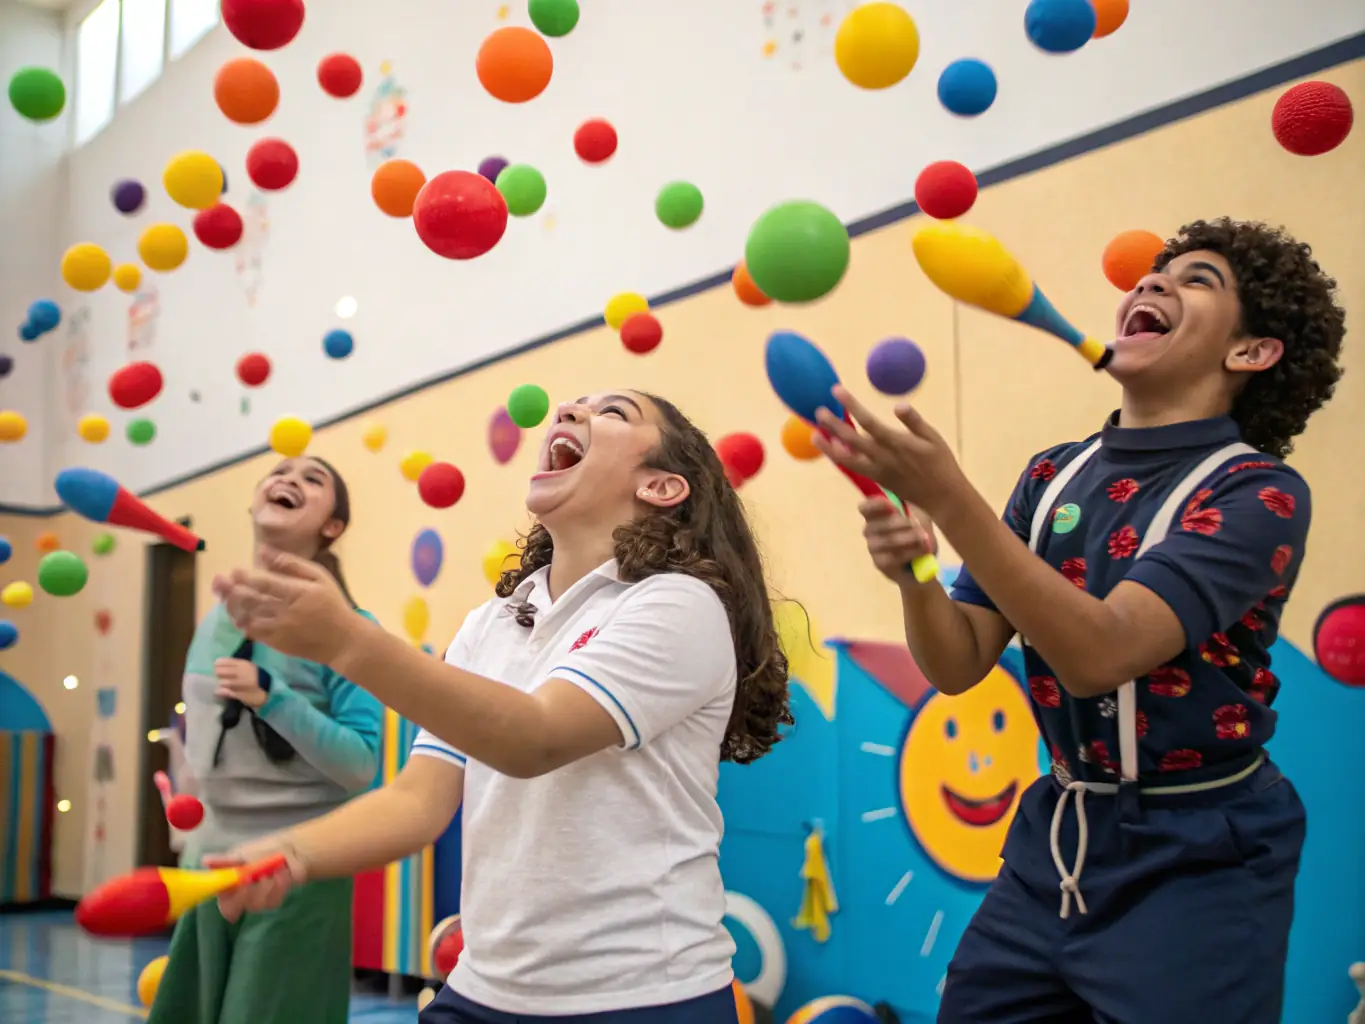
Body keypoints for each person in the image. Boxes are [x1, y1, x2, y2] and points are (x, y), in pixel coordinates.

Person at [816, 219, 1345, 1023]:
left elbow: (1104, 653)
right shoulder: (1050, 477)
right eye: (1151, 275)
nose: (1151, 282)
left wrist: (951, 501)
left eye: (1197, 279)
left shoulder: (1255, 493)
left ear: (1250, 351)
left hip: (1199, 856)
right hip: (1055, 842)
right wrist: (916, 576)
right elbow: (956, 665)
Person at [206, 391, 793, 1023]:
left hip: (643, 996)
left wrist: (348, 640)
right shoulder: (491, 623)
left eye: (614, 412)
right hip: (481, 992)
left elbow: (534, 739)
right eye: (577, 405)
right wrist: (292, 852)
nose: (569, 408)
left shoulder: (680, 604)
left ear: (661, 486)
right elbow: (417, 802)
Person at [149, 456, 384, 1024]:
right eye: (281, 472)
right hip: (210, 868)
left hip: (294, 874)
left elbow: (360, 766)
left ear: (333, 527)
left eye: (313, 479)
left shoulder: (351, 628)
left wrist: (273, 697)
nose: (289, 480)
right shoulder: (214, 621)